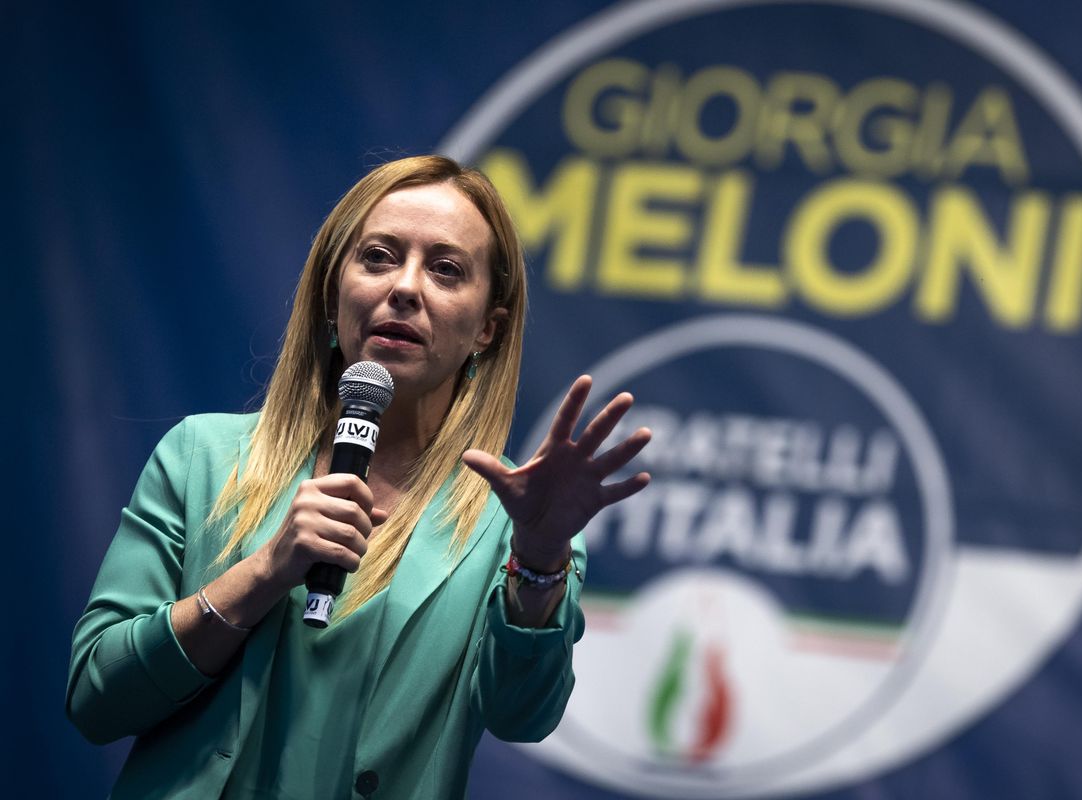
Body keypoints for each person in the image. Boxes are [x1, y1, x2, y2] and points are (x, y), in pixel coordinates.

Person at [66, 155, 652, 799]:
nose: (405, 287)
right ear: (331, 291)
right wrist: (262, 573)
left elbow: (523, 716)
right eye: (378, 257)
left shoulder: (519, 520)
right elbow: (97, 698)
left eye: (446, 269)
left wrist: (540, 560)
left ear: (488, 327)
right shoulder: (199, 457)